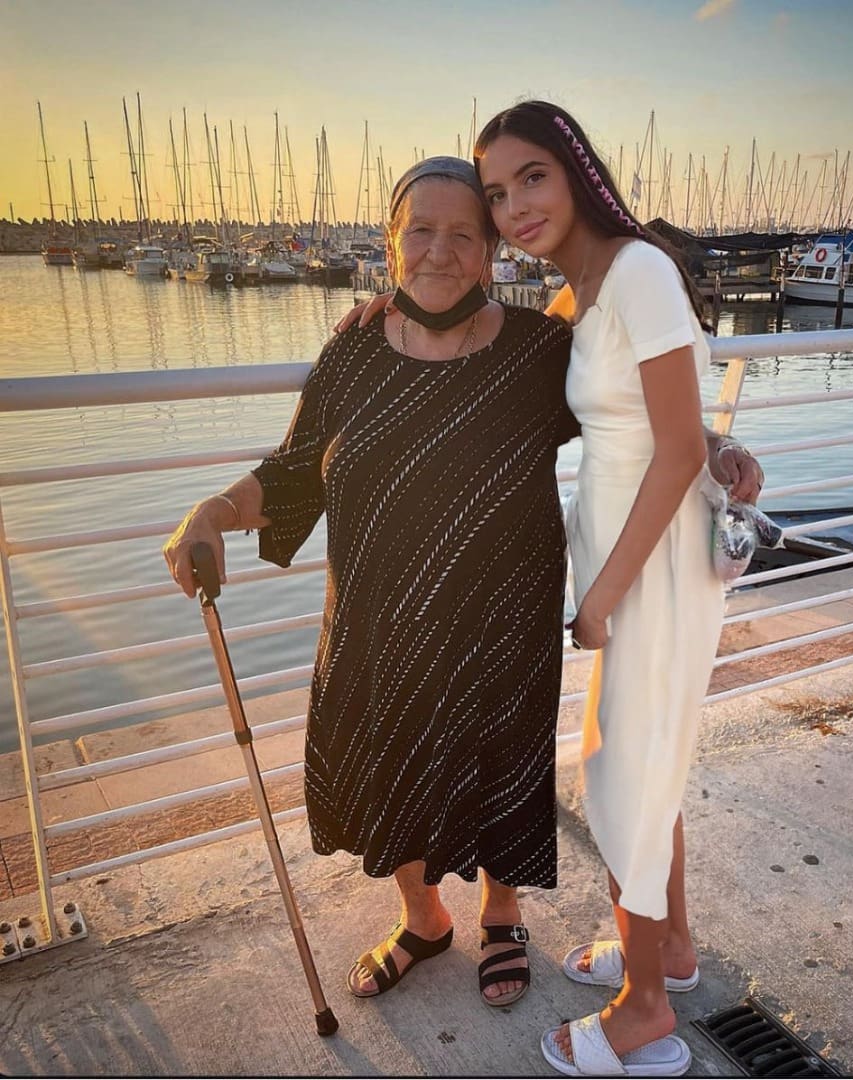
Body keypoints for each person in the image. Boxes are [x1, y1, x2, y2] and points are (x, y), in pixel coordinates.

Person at [164, 156, 581, 1008]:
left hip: (504, 623)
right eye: (420, 230)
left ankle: (502, 914)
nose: (440, 251)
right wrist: (214, 509)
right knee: (391, 763)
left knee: (505, 761)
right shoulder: (352, 350)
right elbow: (294, 472)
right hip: (378, 621)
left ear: (492, 249)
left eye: (463, 233)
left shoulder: (540, 351)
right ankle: (424, 920)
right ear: (391, 243)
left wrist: (713, 450)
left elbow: (633, 411)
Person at [473, 100, 747, 1076]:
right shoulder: (578, 293)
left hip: (653, 572)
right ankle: (669, 951)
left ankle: (644, 1012)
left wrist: (600, 599)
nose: (514, 207)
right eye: (496, 193)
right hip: (628, 562)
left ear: (577, 172)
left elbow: (673, 452)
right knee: (648, 764)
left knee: (623, 775)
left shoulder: (636, 271)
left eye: (531, 177)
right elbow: (659, 412)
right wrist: (390, 315)